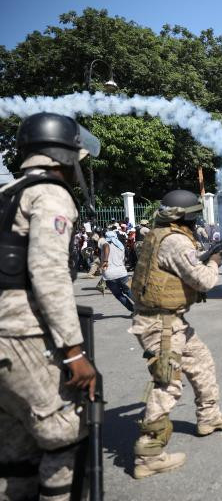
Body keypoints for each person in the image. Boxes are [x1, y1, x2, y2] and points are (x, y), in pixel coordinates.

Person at [0, 112, 100, 500]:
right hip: (23, 335)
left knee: (15, 453)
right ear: (63, 154)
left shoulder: (8, 195)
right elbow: (48, 274)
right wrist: (74, 352)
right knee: (63, 437)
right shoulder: (51, 194)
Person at [129, 189, 222, 479]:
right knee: (168, 384)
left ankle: (209, 416)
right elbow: (204, 281)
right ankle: (148, 454)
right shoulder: (176, 240)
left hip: (170, 321)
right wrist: (217, 260)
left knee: (201, 361)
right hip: (161, 325)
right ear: (186, 216)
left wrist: (212, 253)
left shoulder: (161, 234)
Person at [102, 228, 134, 312]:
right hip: (122, 273)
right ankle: (143, 309)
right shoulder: (121, 246)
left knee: (119, 295)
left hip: (109, 275)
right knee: (128, 291)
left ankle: (134, 311)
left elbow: (106, 246)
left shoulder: (105, 244)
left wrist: (105, 261)